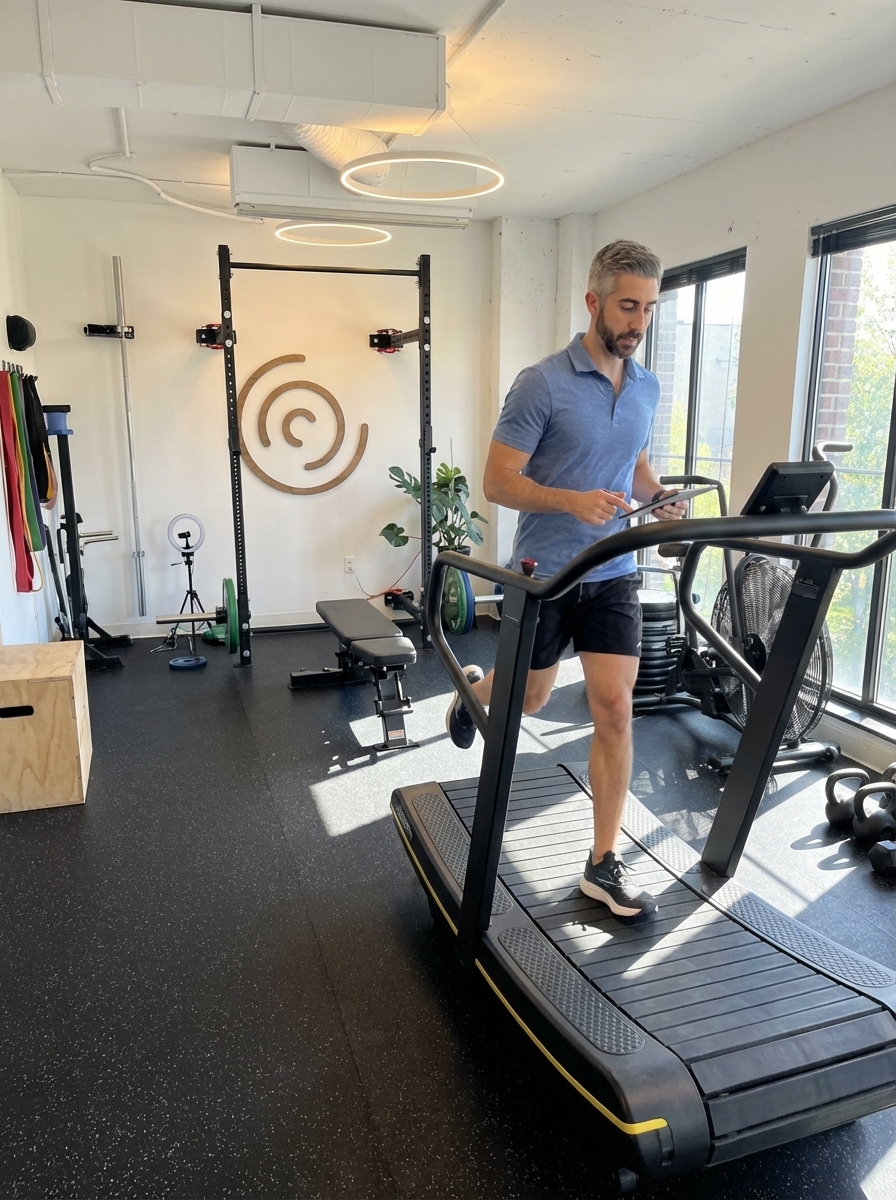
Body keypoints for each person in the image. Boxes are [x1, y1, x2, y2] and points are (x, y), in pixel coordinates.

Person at [446, 239, 686, 919]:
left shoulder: (646, 385)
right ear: (594, 302)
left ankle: (602, 862)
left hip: (612, 570)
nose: (638, 322)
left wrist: (659, 495)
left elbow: (634, 464)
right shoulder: (542, 382)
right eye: (627, 305)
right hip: (547, 572)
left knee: (615, 708)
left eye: (649, 308)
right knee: (531, 699)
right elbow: (497, 483)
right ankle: (474, 694)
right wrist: (571, 500)